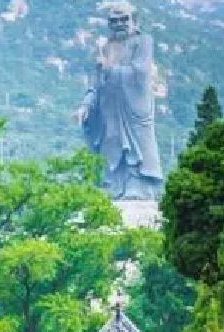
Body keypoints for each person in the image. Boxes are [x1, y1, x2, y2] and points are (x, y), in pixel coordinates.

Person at [74, 2, 162, 200]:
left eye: (124, 19)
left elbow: (141, 73)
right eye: (114, 21)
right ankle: (112, 186)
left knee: (135, 149)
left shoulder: (143, 42)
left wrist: (110, 69)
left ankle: (137, 185)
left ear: (134, 21)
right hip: (109, 109)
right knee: (110, 146)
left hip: (133, 109)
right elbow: (96, 84)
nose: (119, 24)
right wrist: (85, 105)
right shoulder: (106, 48)